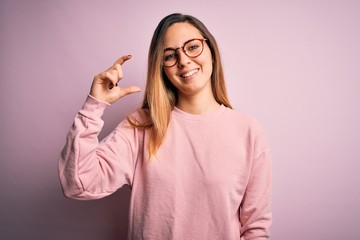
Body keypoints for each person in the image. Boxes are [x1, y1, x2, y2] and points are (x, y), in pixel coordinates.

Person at [59, 13, 272, 240]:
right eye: (170, 55)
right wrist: (94, 105)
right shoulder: (140, 127)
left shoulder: (248, 131)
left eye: (192, 47)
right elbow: (78, 183)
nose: (183, 60)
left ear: (211, 50)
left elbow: (255, 229)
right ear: (162, 68)